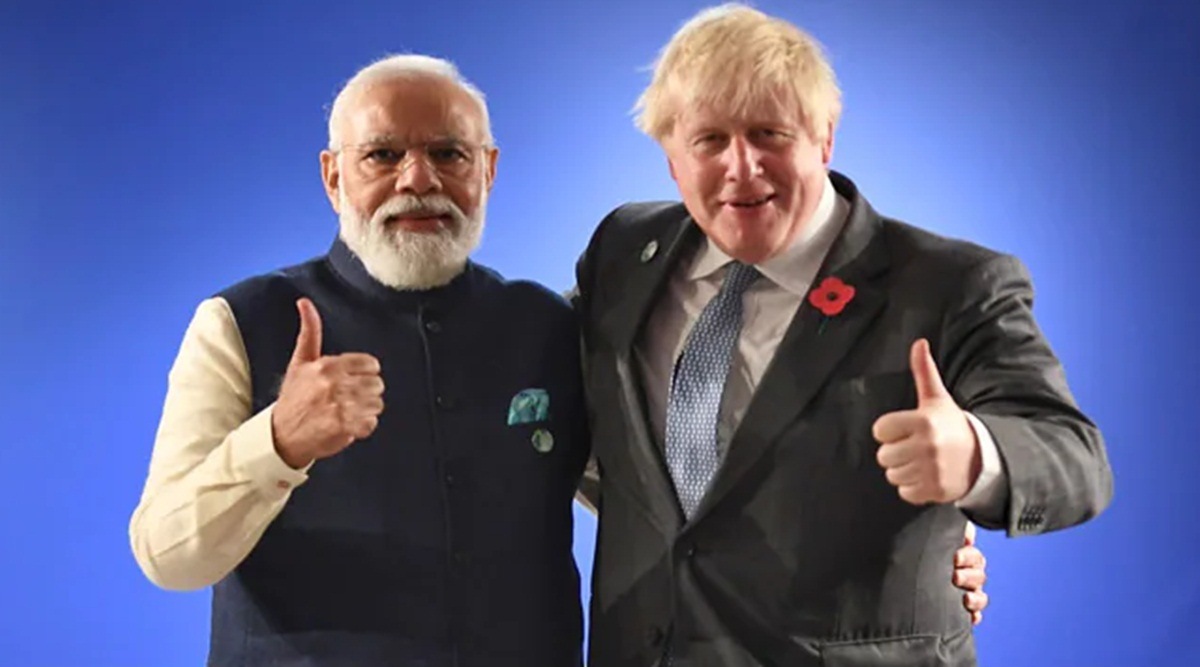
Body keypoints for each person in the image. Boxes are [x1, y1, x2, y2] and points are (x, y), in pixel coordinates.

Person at [572, 4, 1113, 666]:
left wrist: (977, 456)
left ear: (824, 138)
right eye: (709, 140)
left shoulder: (951, 284)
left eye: (769, 133)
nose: (742, 166)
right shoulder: (625, 252)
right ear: (671, 159)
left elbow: (1075, 458)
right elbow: (548, 390)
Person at [128, 55, 590, 666]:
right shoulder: (239, 322)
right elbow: (167, 555)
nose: (418, 179)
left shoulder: (547, 326)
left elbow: (644, 499)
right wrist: (278, 442)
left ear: (489, 170)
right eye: (383, 155)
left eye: (449, 153)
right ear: (333, 176)